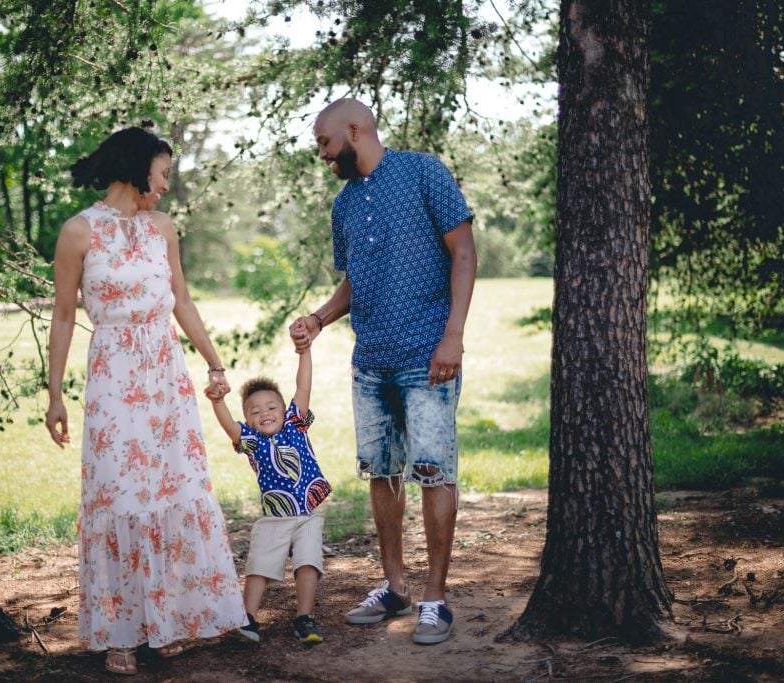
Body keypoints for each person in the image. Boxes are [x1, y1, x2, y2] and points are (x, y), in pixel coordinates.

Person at [45, 126, 248, 675]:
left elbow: (181, 299)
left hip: (165, 377)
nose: (164, 187)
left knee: (169, 492)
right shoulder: (78, 232)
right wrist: (55, 394)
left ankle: (167, 621)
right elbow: (64, 316)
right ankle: (121, 632)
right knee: (120, 495)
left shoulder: (162, 228)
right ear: (137, 169)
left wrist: (214, 360)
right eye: (161, 175)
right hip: (113, 377)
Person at [290, 98, 477, 646]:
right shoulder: (344, 205)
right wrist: (319, 318)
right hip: (370, 361)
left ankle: (435, 598)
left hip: (429, 357)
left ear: (354, 130)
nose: (323, 155)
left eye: (325, 144)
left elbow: (463, 253)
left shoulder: (423, 172)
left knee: (434, 471)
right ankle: (394, 586)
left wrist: (453, 337)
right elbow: (353, 280)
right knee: (381, 472)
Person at [206, 326, 332, 645]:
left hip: (308, 512)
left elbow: (303, 386)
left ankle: (304, 617)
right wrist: (218, 402)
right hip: (275, 516)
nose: (265, 413)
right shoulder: (251, 440)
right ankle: (247, 618)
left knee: (307, 562)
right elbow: (228, 426)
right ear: (248, 420)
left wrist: (304, 353)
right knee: (259, 565)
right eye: (255, 411)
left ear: (283, 409)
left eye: (271, 407)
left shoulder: (295, 423)